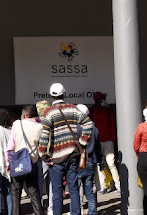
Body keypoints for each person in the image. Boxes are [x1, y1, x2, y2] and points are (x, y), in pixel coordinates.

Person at [38, 83, 92, 215]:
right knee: (73, 188)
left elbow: (45, 136)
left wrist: (43, 155)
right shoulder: (73, 109)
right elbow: (88, 123)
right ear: (65, 94)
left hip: (55, 158)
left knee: (56, 192)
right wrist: (82, 142)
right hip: (73, 155)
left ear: (51, 95)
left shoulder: (48, 112)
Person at [7, 105, 44, 215]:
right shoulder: (40, 127)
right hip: (32, 163)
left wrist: (8, 162)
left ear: (24, 115)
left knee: (15, 193)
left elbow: (10, 146)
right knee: (34, 193)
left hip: (17, 162)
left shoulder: (17, 124)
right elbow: (42, 147)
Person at [90, 91, 119, 193]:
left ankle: (114, 186)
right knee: (103, 165)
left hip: (106, 142)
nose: (104, 100)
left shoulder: (106, 111)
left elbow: (112, 126)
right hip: (101, 142)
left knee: (108, 164)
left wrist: (112, 140)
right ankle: (106, 186)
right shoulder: (93, 111)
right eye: (102, 98)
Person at [75, 105, 101, 215]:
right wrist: (100, 161)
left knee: (76, 188)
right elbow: (98, 148)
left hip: (77, 162)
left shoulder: (75, 129)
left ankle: (78, 210)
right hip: (90, 160)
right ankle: (92, 211)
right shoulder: (94, 129)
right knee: (90, 189)